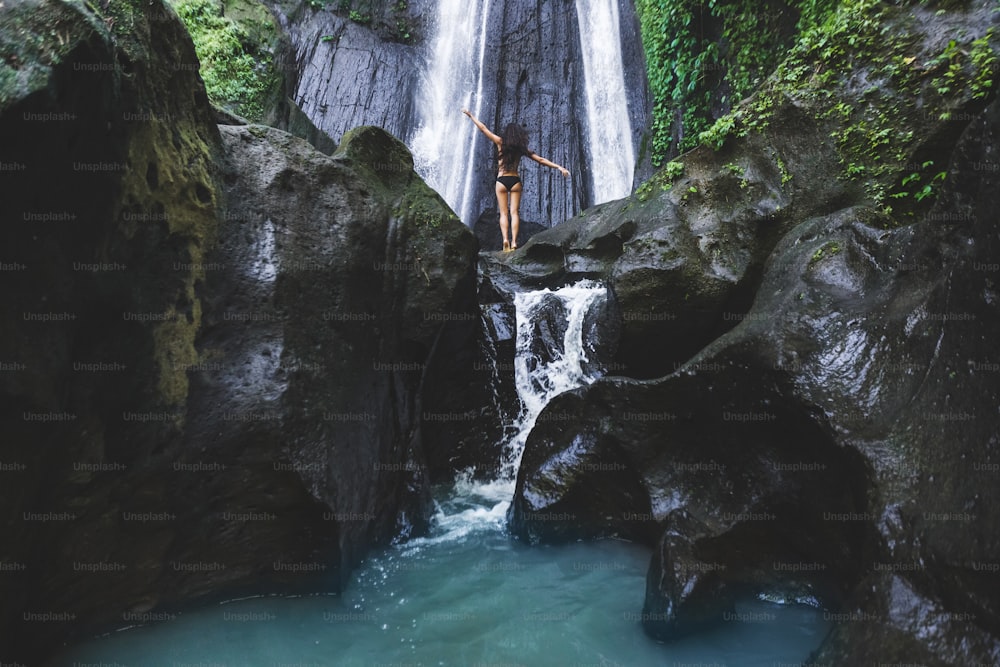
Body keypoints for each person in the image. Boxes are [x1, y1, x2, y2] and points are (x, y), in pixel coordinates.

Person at [462, 109, 570, 251]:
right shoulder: (521, 149)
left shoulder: (500, 142)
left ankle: (505, 239)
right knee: (514, 213)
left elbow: (483, 129)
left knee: (504, 213)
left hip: (501, 180)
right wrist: (559, 167)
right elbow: (541, 160)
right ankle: (514, 242)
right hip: (515, 180)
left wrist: (470, 115)